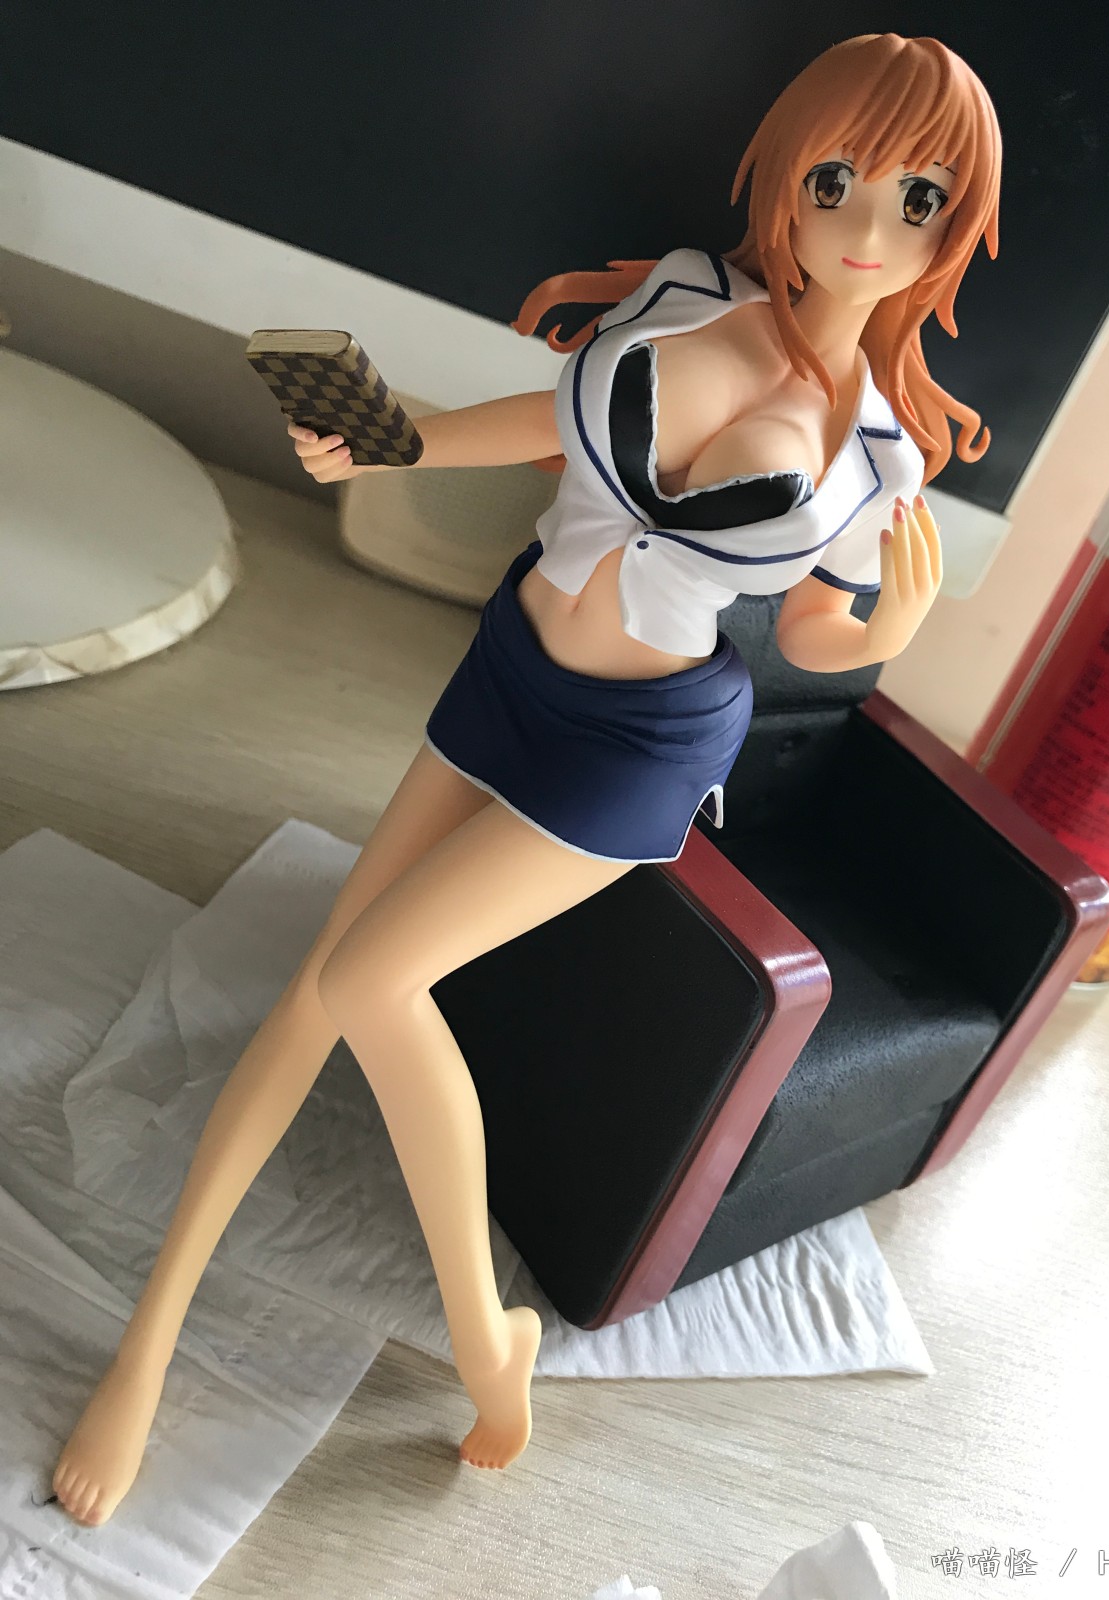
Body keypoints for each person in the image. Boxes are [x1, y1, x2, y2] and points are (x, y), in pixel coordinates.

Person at [51, 30, 1000, 1524]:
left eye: (919, 199)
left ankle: (487, 1339)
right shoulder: (693, 296)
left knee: (372, 980)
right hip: (514, 670)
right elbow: (559, 424)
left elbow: (817, 627)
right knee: (315, 990)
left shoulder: (875, 459)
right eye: (837, 180)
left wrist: (887, 627)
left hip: (638, 746)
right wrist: (398, 446)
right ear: (786, 177)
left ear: (956, 226)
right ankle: (148, 1343)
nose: (868, 227)